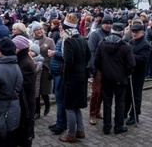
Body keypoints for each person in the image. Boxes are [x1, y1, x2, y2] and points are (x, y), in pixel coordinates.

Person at [95, 23, 135, 135]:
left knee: (107, 102)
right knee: (120, 102)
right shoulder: (125, 46)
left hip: (106, 77)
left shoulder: (102, 43)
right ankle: (118, 126)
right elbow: (131, 64)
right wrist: (126, 73)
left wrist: (102, 70)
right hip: (120, 78)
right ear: (122, 32)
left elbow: (97, 61)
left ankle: (106, 127)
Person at [58, 13, 91, 143]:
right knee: (76, 106)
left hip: (72, 78)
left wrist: (65, 77)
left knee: (69, 106)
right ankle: (80, 130)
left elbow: (68, 61)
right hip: (82, 75)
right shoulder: (82, 38)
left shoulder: (69, 40)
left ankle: (71, 134)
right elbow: (88, 56)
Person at [87, 15, 112, 125]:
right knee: (96, 91)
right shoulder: (95, 34)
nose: (108, 25)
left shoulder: (112, 34)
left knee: (103, 91)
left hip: (109, 68)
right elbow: (91, 51)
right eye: (106, 23)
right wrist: (92, 67)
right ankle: (92, 113)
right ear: (102, 24)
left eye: (110, 23)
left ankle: (98, 110)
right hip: (98, 67)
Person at [11, 35, 36, 145]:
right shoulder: (22, 59)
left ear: (19, 48)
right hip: (23, 102)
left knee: (24, 133)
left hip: (25, 103)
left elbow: (26, 85)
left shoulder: (25, 63)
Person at [125, 23, 150, 125]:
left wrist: (130, 57)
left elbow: (143, 59)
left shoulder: (145, 44)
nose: (134, 34)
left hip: (138, 74)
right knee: (127, 95)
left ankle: (134, 115)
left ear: (142, 33)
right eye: (133, 32)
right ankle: (124, 113)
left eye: (136, 32)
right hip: (129, 72)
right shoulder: (130, 42)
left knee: (136, 95)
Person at [33, 25, 55, 118]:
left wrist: (52, 69)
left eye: (40, 29)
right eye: (36, 29)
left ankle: (47, 104)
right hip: (35, 67)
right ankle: (37, 111)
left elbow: (53, 55)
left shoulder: (50, 40)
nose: (39, 31)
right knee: (36, 90)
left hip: (45, 67)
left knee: (44, 89)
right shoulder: (32, 40)